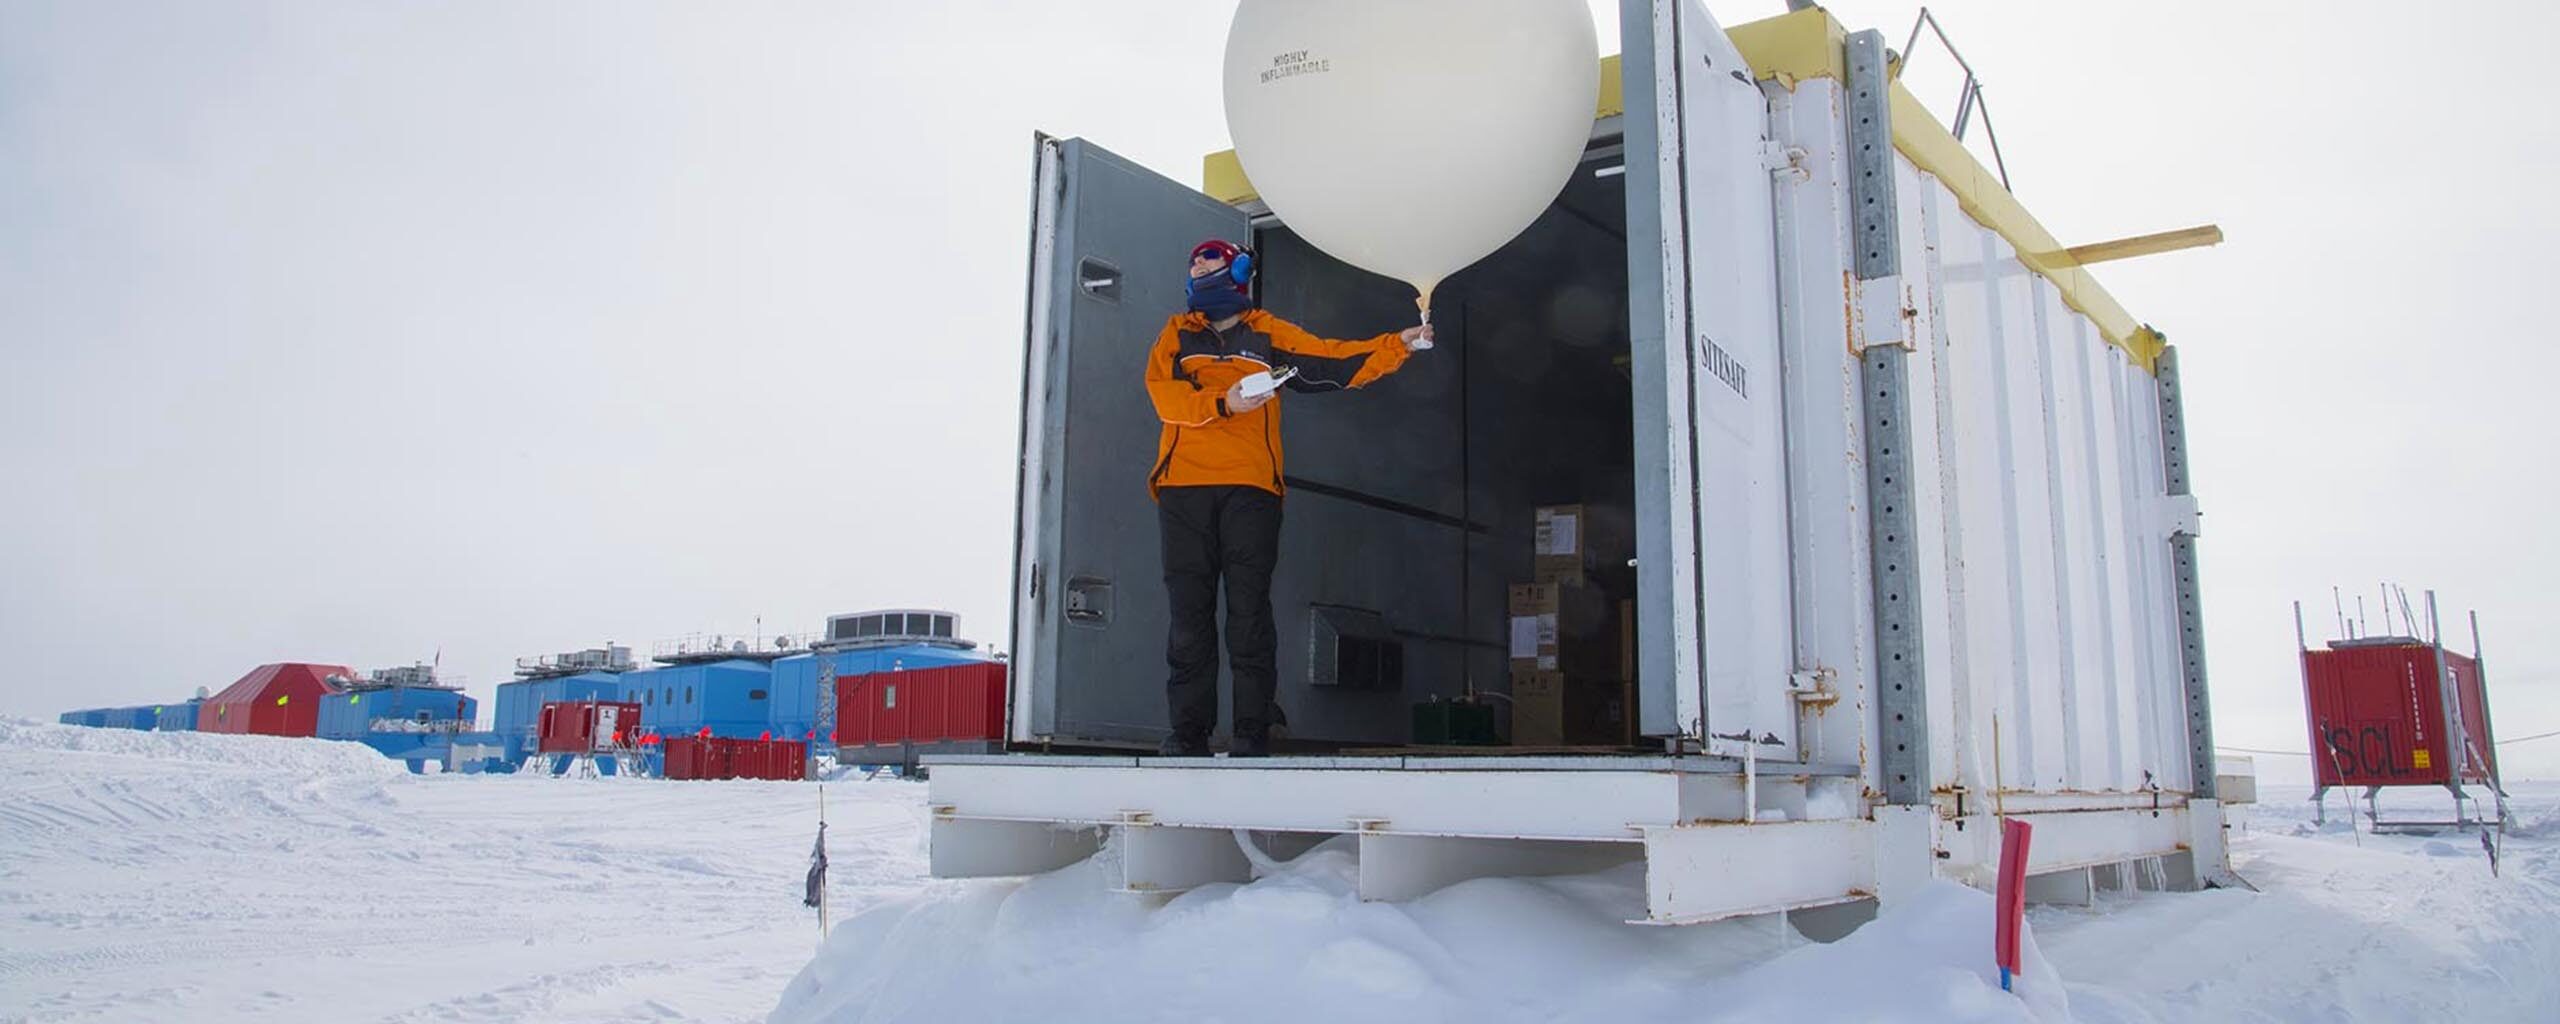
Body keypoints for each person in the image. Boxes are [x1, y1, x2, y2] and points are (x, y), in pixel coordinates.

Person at [1143, 238, 1431, 757]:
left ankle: (1252, 731)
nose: (1197, 265)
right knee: (1189, 615)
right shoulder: (1177, 334)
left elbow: (1332, 361)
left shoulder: (1268, 332)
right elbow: (1163, 396)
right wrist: (1223, 401)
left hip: (1252, 488)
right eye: (1193, 261)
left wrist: (1398, 345)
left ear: (1240, 270)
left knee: (1249, 613)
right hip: (1183, 488)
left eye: (1208, 258)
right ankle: (1188, 734)